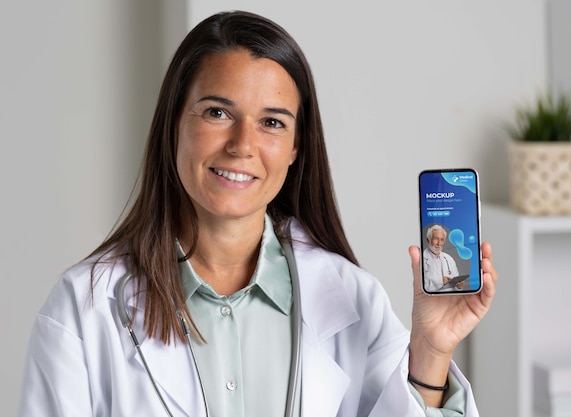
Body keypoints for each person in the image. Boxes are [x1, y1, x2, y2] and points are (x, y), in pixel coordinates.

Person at [17, 10, 498, 417]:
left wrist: (432, 351)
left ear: (294, 148)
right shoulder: (82, 309)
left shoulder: (353, 301)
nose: (242, 145)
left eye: (272, 122)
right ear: (173, 124)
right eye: (217, 113)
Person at [422, 225, 465, 292]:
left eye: (442, 240)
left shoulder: (449, 259)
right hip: (432, 300)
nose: (439, 244)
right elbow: (422, 288)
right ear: (428, 240)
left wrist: (459, 287)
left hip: (451, 299)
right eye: (436, 239)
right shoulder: (421, 260)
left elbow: (456, 285)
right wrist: (441, 282)